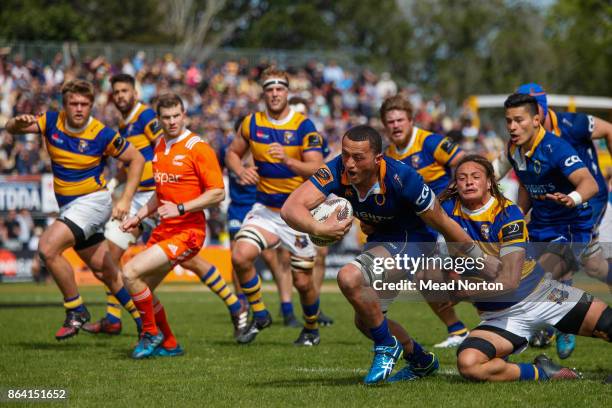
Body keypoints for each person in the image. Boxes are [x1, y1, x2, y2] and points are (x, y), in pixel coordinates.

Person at [281, 125, 490, 384]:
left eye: (358, 157)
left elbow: (444, 223)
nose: (349, 164)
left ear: (377, 158)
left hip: (414, 242)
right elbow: (291, 207)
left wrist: (473, 260)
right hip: (380, 241)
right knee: (366, 320)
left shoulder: (403, 178)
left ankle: (385, 347)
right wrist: (317, 227)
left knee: (349, 277)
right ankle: (421, 361)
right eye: (345, 155)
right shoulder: (336, 169)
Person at [85, 73, 244, 336]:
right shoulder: (127, 125)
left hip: (159, 199)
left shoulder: (147, 118)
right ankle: (132, 322)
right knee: (122, 262)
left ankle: (134, 321)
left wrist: (129, 198)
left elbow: (162, 159)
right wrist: (116, 188)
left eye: (126, 91)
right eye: (117, 92)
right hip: (152, 200)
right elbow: (138, 162)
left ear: (135, 93)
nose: (122, 96)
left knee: (128, 261)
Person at [439, 154, 611, 381]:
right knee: (469, 364)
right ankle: (543, 372)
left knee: (608, 324)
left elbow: (510, 281)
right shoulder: (447, 213)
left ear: (490, 181)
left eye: (475, 177)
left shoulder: (508, 213)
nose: (469, 182)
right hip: (500, 316)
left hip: (544, 296)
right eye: (462, 178)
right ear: (456, 184)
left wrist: (465, 292)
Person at [5, 79, 145, 340]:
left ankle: (75, 309)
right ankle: (145, 322)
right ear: (65, 104)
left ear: (91, 105)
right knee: (105, 270)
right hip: (71, 206)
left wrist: (125, 198)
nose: (79, 108)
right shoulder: (51, 121)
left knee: (47, 248)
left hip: (93, 201)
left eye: (84, 104)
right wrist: (16, 122)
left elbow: (136, 158)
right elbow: (12, 129)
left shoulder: (101, 133)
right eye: (74, 103)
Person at [494, 90, 606, 358]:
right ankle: (558, 318)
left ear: (536, 120)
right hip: (539, 228)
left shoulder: (556, 148)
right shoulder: (514, 149)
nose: (512, 127)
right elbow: (521, 185)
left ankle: (522, 339)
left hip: (569, 229)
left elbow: (589, 183)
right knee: (510, 277)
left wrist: (571, 198)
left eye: (519, 120)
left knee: (536, 280)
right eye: (508, 121)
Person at [120, 93, 226, 359]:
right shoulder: (159, 146)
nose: (172, 122)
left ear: (184, 114)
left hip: (189, 232)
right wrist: (139, 216)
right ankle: (169, 343)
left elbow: (217, 193)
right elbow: (160, 193)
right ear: (159, 119)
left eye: (176, 116)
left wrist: (181, 208)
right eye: (166, 117)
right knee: (143, 286)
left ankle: (150, 333)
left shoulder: (198, 147)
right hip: (165, 230)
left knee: (130, 272)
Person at [225, 67, 324, 346]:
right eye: (270, 89)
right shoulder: (251, 123)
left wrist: (289, 162)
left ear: (287, 92)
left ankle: (311, 329)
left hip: (298, 214)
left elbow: (317, 169)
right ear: (263, 93)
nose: (275, 93)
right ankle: (260, 313)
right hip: (265, 209)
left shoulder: (303, 125)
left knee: (303, 283)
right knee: (240, 256)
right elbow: (232, 152)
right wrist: (239, 170)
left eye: (280, 88)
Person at [381, 95, 468, 348]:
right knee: (423, 277)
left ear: (410, 121)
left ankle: (514, 321)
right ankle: (458, 330)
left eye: (400, 120)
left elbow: (466, 162)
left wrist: (451, 198)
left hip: (449, 220)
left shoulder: (429, 142)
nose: (396, 125)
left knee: (463, 278)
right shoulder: (387, 155)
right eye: (390, 122)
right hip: (420, 226)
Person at [219, 116, 300, 328]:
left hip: (260, 208)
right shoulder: (228, 153)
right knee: (237, 256)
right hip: (237, 209)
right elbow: (215, 171)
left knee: (273, 258)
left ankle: (287, 309)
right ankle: (243, 307)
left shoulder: (263, 153)